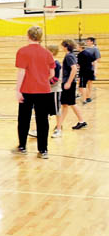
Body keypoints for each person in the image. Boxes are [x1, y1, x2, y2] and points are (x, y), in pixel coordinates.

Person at [15, 26, 55, 159]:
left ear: (28, 36)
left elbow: (22, 72)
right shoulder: (47, 53)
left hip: (27, 90)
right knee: (43, 121)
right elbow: (52, 74)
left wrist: (18, 90)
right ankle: (43, 150)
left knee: (24, 119)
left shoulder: (22, 51)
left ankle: (22, 147)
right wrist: (41, 79)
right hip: (44, 91)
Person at [29, 45, 63, 139]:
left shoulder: (56, 63)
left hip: (54, 90)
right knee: (42, 111)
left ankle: (59, 129)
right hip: (44, 90)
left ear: (51, 52)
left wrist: (43, 83)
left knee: (56, 110)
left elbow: (55, 78)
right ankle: (39, 130)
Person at [60, 39, 87, 131]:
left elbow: (74, 69)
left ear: (66, 46)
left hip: (68, 83)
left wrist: (68, 82)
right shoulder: (70, 55)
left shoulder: (69, 56)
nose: (62, 48)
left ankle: (81, 121)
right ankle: (59, 124)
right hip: (67, 82)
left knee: (71, 103)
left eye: (63, 46)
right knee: (65, 104)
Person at [80, 37, 101, 104]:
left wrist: (94, 67)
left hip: (90, 68)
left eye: (88, 41)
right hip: (84, 68)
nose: (87, 42)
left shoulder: (95, 49)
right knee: (82, 83)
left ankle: (88, 97)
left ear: (92, 42)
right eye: (87, 41)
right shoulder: (85, 49)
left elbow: (98, 59)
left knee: (89, 84)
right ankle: (84, 95)